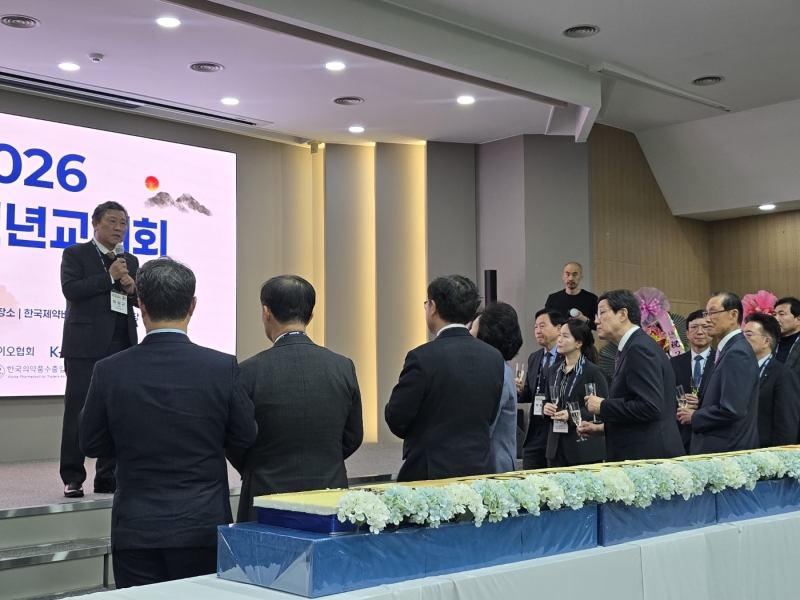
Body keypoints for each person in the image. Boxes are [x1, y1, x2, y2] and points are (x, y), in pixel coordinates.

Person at [78, 258, 257, 588]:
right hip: (203, 526)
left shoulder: (109, 370)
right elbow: (245, 435)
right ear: (192, 306)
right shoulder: (222, 367)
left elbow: (91, 443)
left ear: (141, 305)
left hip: (136, 528)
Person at [227, 275, 363, 522]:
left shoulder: (247, 371)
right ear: (311, 316)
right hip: (329, 497)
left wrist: (256, 467)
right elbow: (353, 436)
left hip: (264, 497)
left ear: (266, 313)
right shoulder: (343, 367)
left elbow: (235, 439)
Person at [385, 275, 505, 482]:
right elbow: (491, 416)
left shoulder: (422, 357)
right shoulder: (494, 357)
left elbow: (396, 418)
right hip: (479, 472)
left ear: (433, 307)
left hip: (429, 473)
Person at [60, 201, 139, 498]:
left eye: (123, 223)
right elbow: (71, 290)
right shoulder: (75, 254)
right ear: (95, 223)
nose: (119, 228)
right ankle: (72, 476)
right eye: (112, 221)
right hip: (84, 345)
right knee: (77, 412)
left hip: (122, 344)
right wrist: (109, 277)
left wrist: (132, 290)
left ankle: (107, 477)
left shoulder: (130, 260)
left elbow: (138, 301)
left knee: (117, 412)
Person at [577, 289, 684, 460]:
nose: (596, 320)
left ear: (622, 314)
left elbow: (650, 407)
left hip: (649, 458)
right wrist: (603, 428)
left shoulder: (639, 348)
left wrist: (603, 406)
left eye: (602, 313)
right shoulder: (634, 345)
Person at [679, 292, 759, 454]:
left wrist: (694, 416)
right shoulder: (729, 349)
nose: (707, 320)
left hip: (727, 450)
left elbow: (732, 409)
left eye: (713, 313)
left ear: (733, 315)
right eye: (706, 314)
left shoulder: (737, 352)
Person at [542, 319, 607, 467]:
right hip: (555, 448)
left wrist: (571, 415)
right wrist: (546, 408)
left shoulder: (593, 372)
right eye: (559, 335)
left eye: (565, 336)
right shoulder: (553, 370)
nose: (559, 340)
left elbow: (602, 409)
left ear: (578, 343)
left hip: (583, 448)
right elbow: (548, 399)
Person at [469, 301, 524, 473]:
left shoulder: (496, 371)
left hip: (494, 467)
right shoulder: (499, 367)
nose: (468, 336)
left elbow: (483, 427)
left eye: (472, 331)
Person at [743, 313, 800, 448]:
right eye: (742, 335)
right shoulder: (739, 370)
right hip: (738, 447)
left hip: (765, 450)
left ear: (766, 341)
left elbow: (786, 425)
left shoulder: (783, 375)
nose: (743, 340)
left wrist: (778, 455)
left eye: (749, 335)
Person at [519, 309, 566, 470]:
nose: (538, 331)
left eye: (542, 326)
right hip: (535, 430)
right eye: (535, 327)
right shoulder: (534, 357)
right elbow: (530, 392)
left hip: (557, 427)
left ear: (559, 328)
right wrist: (519, 390)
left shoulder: (567, 356)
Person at [669, 310, 713, 452]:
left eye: (705, 327)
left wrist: (702, 403)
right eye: (694, 327)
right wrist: (681, 403)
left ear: (712, 331)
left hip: (711, 432)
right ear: (687, 333)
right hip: (681, 433)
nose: (700, 332)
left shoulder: (721, 361)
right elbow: (666, 393)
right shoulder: (674, 363)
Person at [545, 262, 598, 330]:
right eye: (567, 274)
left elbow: (598, 325)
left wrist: (584, 319)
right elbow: (547, 322)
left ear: (581, 277)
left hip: (583, 336)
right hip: (559, 336)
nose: (570, 278)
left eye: (575, 275)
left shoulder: (592, 299)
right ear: (563, 276)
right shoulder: (553, 299)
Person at [774, 297, 800, 381]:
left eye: (781, 314)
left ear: (798, 320)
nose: (776, 319)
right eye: (774, 314)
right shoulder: (770, 341)